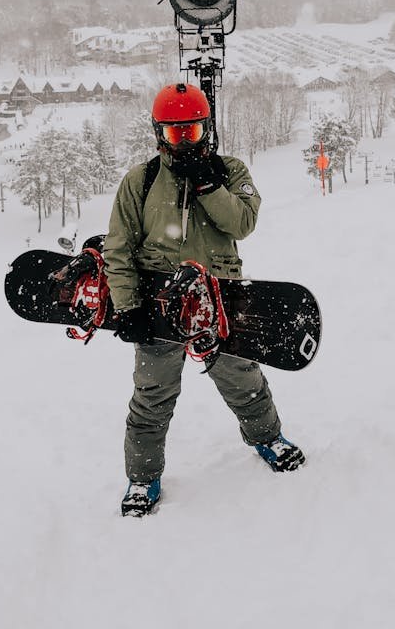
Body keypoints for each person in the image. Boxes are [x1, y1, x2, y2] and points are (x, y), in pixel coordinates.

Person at [104, 82, 304, 518]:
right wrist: (128, 306)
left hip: (220, 299)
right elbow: (118, 249)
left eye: (192, 132)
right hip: (159, 302)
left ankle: (267, 438)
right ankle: (142, 477)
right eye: (176, 135)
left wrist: (209, 186)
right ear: (159, 134)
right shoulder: (141, 181)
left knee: (243, 379)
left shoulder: (230, 170)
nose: (184, 144)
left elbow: (243, 222)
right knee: (153, 394)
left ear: (207, 129)